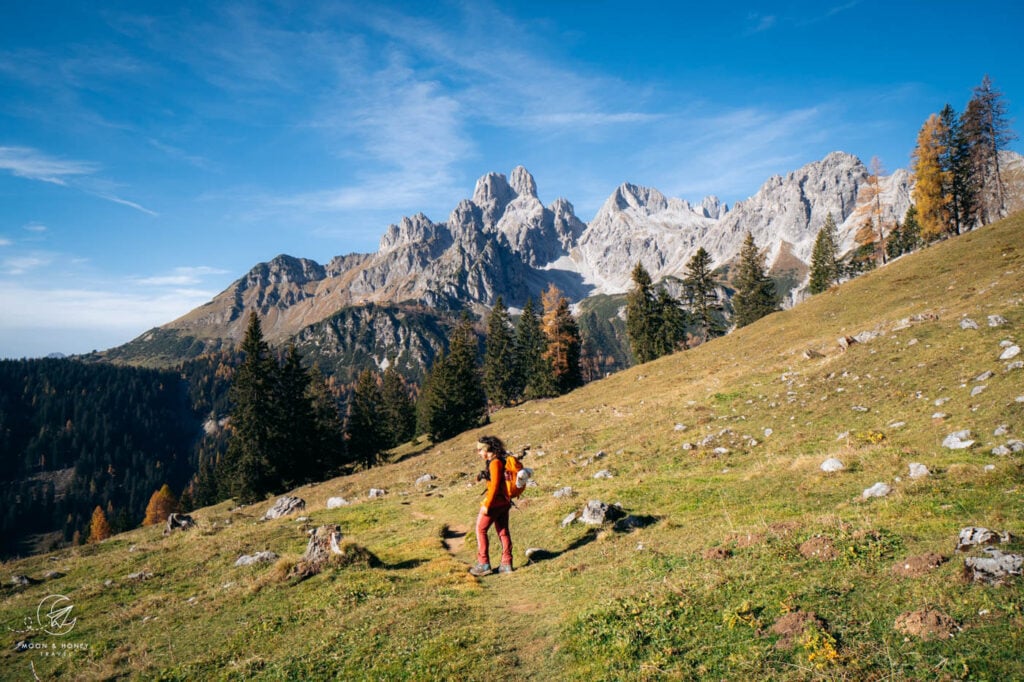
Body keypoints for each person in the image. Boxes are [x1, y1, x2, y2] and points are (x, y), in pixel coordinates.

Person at [470, 435, 513, 576]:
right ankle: (506, 564)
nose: (478, 453)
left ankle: (484, 564)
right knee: (503, 532)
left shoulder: (495, 463)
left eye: (479, 450)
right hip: (504, 502)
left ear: (486, 449)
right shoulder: (499, 460)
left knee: (480, 529)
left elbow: (494, 486)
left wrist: (487, 504)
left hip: (494, 503)